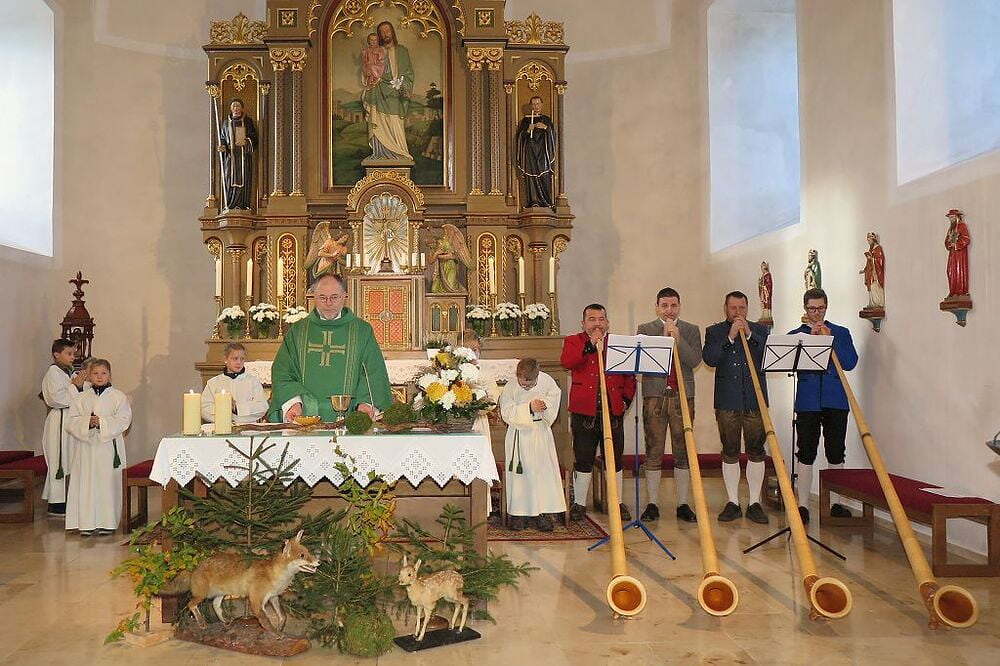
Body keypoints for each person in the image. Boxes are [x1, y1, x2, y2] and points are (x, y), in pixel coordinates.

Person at [269, 274, 392, 422]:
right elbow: (283, 371)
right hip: (304, 416)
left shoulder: (361, 330)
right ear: (314, 297)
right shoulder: (298, 331)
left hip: (351, 418)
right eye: (322, 297)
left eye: (334, 297)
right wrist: (294, 403)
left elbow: (373, 372)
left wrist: (365, 404)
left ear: (344, 296)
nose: (328, 303)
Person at [788, 288, 859, 523]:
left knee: (836, 451)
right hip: (807, 401)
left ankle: (836, 504)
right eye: (812, 309)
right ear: (805, 309)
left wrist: (830, 341)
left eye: (821, 308)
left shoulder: (840, 332)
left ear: (826, 307)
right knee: (806, 451)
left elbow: (850, 362)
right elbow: (791, 364)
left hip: (835, 400)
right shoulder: (796, 335)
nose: (816, 313)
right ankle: (803, 504)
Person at [561, 304, 636, 522]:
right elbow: (568, 362)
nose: (597, 324)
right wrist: (590, 346)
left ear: (607, 323)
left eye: (601, 319)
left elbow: (629, 377)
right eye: (592, 319)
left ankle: (616, 502)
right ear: (583, 323)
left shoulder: (617, 344)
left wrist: (625, 401)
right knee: (583, 458)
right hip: (584, 411)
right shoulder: (574, 341)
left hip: (612, 411)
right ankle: (579, 503)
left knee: (614, 458)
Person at [702, 291, 770, 524]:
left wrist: (750, 335)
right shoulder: (714, 332)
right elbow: (710, 359)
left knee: (756, 450)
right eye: (733, 308)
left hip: (755, 400)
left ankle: (754, 503)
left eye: (742, 308)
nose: (738, 312)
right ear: (726, 309)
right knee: (730, 450)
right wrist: (730, 338)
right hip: (727, 401)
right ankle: (732, 502)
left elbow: (768, 357)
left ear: (747, 309)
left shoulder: (761, 331)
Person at [636, 287, 702, 523]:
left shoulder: (691, 330)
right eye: (664, 305)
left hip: (683, 397)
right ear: (657, 307)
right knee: (653, 450)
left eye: (673, 305)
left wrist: (678, 339)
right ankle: (652, 503)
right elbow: (644, 364)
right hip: (655, 396)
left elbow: (694, 360)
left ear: (679, 306)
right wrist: (664, 340)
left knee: (682, 451)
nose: (669, 310)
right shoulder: (645, 330)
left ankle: (683, 503)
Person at [65, 359, 132, 536]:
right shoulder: (81, 398)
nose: (99, 377)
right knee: (86, 483)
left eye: (103, 373)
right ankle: (86, 523)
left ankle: (107, 523)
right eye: (95, 373)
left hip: (108, 447)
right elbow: (70, 421)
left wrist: (101, 422)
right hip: (86, 448)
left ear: (109, 375)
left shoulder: (118, 397)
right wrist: (87, 422)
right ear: (89, 375)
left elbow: (124, 419)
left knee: (106, 483)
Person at [498, 358, 565, 532]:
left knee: (541, 474)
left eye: (530, 385)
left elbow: (553, 400)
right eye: (523, 384)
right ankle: (518, 514)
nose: (526, 387)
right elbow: (506, 412)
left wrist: (544, 405)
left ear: (537, 376)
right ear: (518, 376)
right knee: (520, 476)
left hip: (540, 432)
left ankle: (541, 513)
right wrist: (528, 408)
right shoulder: (511, 386)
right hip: (519, 434)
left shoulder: (547, 381)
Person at [39, 339, 88, 516]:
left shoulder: (68, 372)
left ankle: (67, 498)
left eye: (74, 354)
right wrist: (76, 387)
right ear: (56, 354)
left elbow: (81, 394)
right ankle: (56, 503)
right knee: (58, 461)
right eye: (69, 353)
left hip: (70, 420)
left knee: (69, 459)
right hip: (59, 420)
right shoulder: (53, 373)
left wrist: (82, 386)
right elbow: (56, 398)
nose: (72, 357)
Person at [360, 21, 414, 161]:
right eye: (382, 32)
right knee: (378, 121)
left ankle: (400, 153)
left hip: (395, 94)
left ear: (392, 32)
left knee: (395, 123)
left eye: (387, 31)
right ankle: (380, 154)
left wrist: (402, 86)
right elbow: (367, 69)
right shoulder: (376, 51)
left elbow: (408, 73)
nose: (385, 34)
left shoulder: (402, 51)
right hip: (378, 91)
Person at [201, 342, 269, 426]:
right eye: (235, 358)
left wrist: (236, 408)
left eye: (242, 359)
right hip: (220, 426)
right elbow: (204, 408)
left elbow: (262, 407)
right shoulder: (213, 383)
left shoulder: (253, 381)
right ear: (226, 359)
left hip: (247, 427)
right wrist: (226, 409)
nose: (239, 362)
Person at [514, 96, 556, 209]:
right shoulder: (526, 120)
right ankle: (533, 201)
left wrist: (545, 128)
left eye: (538, 104)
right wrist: (528, 129)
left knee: (544, 175)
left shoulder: (546, 119)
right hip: (530, 152)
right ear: (531, 106)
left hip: (543, 153)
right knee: (531, 176)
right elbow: (520, 137)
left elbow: (553, 135)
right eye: (533, 104)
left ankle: (546, 202)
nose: (536, 106)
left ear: (542, 105)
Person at [218, 99, 257, 211]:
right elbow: (223, 138)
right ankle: (230, 204)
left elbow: (254, 138)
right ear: (231, 108)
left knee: (244, 179)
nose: (236, 108)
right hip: (231, 157)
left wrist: (247, 141)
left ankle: (243, 204)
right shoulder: (226, 123)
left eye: (238, 106)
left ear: (242, 108)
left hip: (244, 157)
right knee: (229, 179)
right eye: (234, 106)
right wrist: (223, 146)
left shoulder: (248, 122)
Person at [944, 209, 970, 296]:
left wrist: (956, 244)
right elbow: (946, 241)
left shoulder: (962, 226)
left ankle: (960, 291)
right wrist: (949, 244)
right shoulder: (951, 229)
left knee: (959, 270)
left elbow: (966, 239)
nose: (951, 219)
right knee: (950, 271)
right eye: (950, 218)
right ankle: (953, 291)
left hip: (959, 253)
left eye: (952, 217)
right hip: (952, 253)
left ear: (957, 217)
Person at [860, 232, 885, 310]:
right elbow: (868, 263)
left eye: (869, 240)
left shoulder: (878, 248)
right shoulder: (871, 249)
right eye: (867, 240)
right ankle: (872, 304)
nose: (868, 242)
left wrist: (872, 259)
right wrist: (864, 270)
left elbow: (880, 260)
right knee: (871, 287)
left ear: (873, 240)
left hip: (876, 273)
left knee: (875, 287)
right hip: (870, 272)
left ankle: (878, 304)